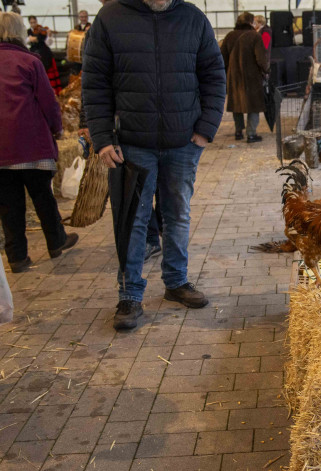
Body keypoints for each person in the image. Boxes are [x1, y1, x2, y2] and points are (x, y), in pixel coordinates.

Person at [83, 0, 226, 331]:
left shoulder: (192, 18)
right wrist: (102, 138)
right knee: (133, 219)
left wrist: (205, 129)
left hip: (183, 144)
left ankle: (176, 282)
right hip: (131, 144)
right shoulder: (111, 17)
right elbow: (94, 82)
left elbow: (214, 76)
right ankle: (130, 295)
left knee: (178, 214)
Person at [0, 12, 79, 274]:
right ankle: (56, 241)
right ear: (18, 31)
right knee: (42, 196)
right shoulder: (29, 62)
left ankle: (17, 257)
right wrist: (57, 128)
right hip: (30, 146)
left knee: (7, 205)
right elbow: (48, 102)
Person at [223, 12, 268, 142]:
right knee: (253, 105)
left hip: (234, 76)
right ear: (250, 22)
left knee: (236, 103)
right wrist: (266, 70)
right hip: (251, 76)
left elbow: (222, 57)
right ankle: (251, 134)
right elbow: (261, 59)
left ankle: (238, 131)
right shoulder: (255, 36)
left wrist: (229, 71)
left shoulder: (230, 36)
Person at [27, 16, 60, 93]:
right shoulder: (28, 32)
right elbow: (25, 42)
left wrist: (49, 36)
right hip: (34, 53)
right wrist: (29, 39)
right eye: (31, 23)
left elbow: (48, 43)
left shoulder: (43, 30)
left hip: (44, 53)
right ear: (29, 23)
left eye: (34, 22)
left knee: (48, 71)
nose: (33, 24)